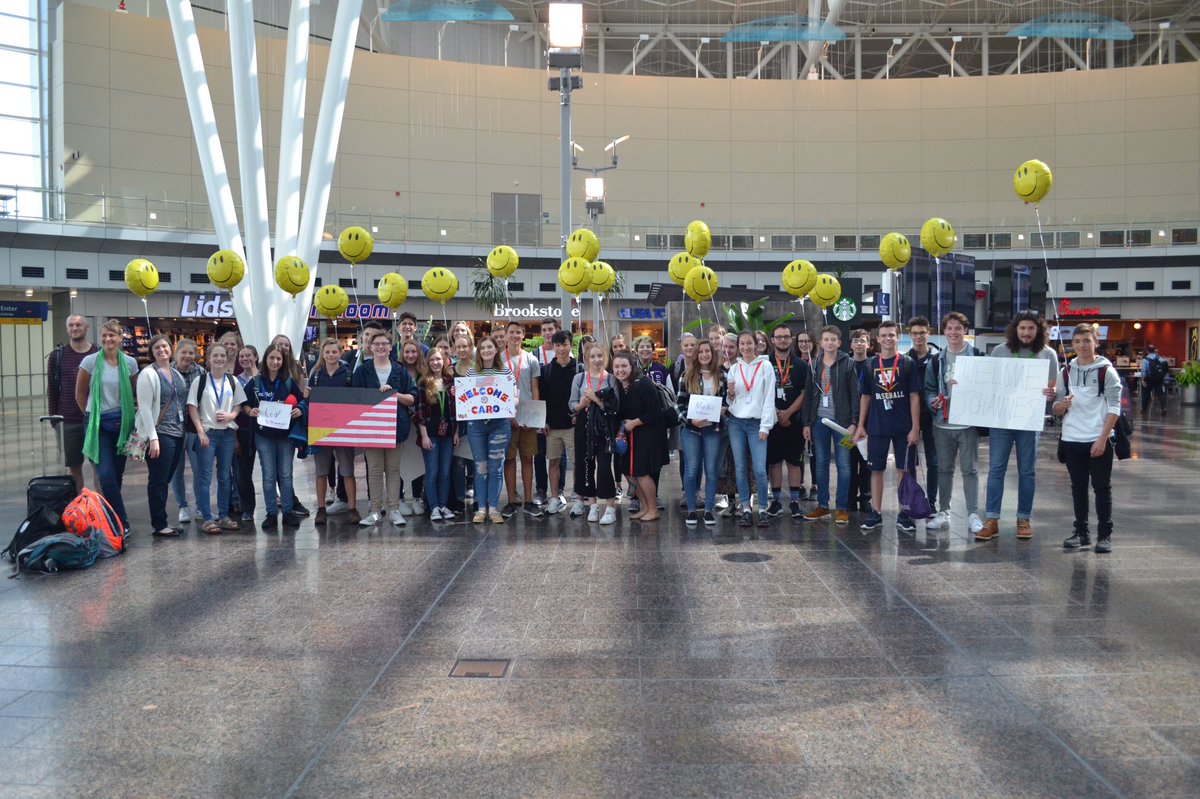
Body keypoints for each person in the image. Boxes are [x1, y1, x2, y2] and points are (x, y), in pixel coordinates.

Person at [979, 311, 1058, 541]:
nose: (1026, 332)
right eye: (1022, 328)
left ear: (1038, 331)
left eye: (1031, 328)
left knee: (1027, 471)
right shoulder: (999, 351)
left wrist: (1051, 393)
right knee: (996, 470)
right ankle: (991, 519)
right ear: (1015, 329)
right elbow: (988, 382)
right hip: (1001, 420)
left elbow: (1051, 387)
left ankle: (1024, 518)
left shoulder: (1048, 354)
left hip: (1028, 420)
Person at [1054, 323, 1121, 554]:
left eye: (1086, 341)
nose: (1082, 346)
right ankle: (1081, 532)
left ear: (1096, 343)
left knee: (1101, 487)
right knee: (1078, 487)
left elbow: (1114, 408)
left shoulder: (1106, 371)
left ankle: (1105, 535)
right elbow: (1056, 408)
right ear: (1072, 344)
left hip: (1098, 438)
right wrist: (1061, 405)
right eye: (1077, 341)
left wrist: (1102, 439)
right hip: (1071, 438)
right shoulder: (1065, 372)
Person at [854, 320, 921, 532]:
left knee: (904, 470)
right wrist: (861, 425)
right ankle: (876, 512)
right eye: (884, 335)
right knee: (876, 470)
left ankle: (904, 512)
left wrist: (915, 428)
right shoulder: (870, 364)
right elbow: (865, 396)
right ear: (877, 339)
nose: (888, 339)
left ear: (898, 337)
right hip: (877, 426)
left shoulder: (907, 363)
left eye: (891, 335)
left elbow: (914, 397)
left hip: (903, 426)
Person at [924, 312, 985, 536]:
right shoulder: (936, 359)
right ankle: (944, 511)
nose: (953, 332)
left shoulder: (977, 357)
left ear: (965, 331)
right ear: (944, 331)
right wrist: (932, 401)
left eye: (958, 328)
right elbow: (929, 389)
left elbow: (986, 387)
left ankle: (973, 514)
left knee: (970, 470)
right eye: (949, 328)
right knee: (944, 469)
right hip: (942, 424)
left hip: (967, 424)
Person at [75, 319, 139, 532]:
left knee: (117, 475)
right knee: (105, 475)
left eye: (112, 335)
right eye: (104, 336)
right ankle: (121, 522)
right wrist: (91, 417)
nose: (108, 339)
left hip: (122, 425)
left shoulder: (130, 363)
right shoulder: (90, 362)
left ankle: (109, 519)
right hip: (98, 425)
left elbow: (132, 392)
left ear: (120, 338)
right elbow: (80, 394)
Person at [352, 330, 417, 527]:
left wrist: (394, 395)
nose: (380, 347)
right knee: (374, 470)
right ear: (370, 347)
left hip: (396, 427)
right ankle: (375, 511)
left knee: (393, 469)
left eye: (384, 344)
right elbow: (355, 399)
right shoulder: (362, 371)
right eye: (377, 344)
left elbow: (412, 397)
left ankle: (394, 510)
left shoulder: (400, 370)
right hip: (371, 428)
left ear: (390, 348)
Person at [244, 343, 306, 530]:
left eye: (279, 358)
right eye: (272, 358)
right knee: (268, 475)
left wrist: (299, 409)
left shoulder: (287, 382)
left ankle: (287, 512)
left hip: (285, 436)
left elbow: (301, 401)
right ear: (265, 359)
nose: (275, 362)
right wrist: (250, 411)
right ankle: (271, 513)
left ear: (283, 361)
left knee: (286, 475)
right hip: (264, 436)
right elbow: (244, 404)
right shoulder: (256, 382)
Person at [802, 325, 859, 526]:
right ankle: (823, 506)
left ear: (839, 342)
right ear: (820, 343)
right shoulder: (814, 365)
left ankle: (841, 507)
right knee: (821, 464)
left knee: (844, 465)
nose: (829, 343)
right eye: (826, 339)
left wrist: (854, 423)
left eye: (833, 339)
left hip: (843, 424)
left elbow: (855, 395)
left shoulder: (848, 363)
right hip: (819, 422)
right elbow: (808, 396)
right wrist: (806, 423)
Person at [186, 342, 246, 534]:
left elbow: (238, 404)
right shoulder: (200, 381)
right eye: (215, 356)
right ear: (209, 358)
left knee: (225, 475)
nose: (219, 359)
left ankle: (224, 516)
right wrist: (200, 431)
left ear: (226, 358)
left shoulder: (232, 381)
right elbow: (192, 407)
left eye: (222, 356)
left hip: (227, 434)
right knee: (205, 476)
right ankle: (207, 518)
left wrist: (231, 415)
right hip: (208, 433)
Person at [135, 335, 187, 537]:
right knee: (158, 479)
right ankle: (159, 524)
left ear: (170, 348)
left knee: (165, 479)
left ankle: (162, 520)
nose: (161, 350)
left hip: (177, 433)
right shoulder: (148, 374)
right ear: (151, 352)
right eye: (156, 347)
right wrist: (153, 437)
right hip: (161, 433)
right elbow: (145, 408)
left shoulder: (175, 373)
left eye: (164, 346)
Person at [306, 338, 360, 525]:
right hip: (321, 428)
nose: (330, 355)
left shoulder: (348, 374)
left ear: (340, 353)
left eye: (334, 352)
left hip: (344, 428)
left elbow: (356, 399)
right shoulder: (315, 375)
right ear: (322, 354)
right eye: (327, 352)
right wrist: (306, 395)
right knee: (321, 471)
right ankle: (321, 509)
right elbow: (309, 401)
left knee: (347, 470)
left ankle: (352, 508)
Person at [726, 331, 777, 529]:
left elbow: (769, 397)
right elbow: (732, 401)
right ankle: (746, 508)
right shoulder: (734, 368)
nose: (746, 347)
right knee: (740, 468)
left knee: (759, 470)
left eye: (749, 343)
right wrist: (730, 394)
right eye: (742, 344)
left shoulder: (765, 366)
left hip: (757, 423)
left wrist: (766, 426)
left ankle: (762, 509)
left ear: (756, 345)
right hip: (736, 422)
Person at [677, 340, 727, 526]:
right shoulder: (687, 375)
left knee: (711, 470)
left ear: (712, 354)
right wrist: (690, 420)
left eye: (707, 351)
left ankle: (708, 510)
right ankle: (691, 510)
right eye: (701, 352)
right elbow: (678, 404)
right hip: (691, 429)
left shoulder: (721, 375)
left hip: (713, 429)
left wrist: (725, 408)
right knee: (691, 470)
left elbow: (728, 401)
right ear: (696, 355)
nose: (704, 355)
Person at [46, 313, 96, 493]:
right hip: (68, 421)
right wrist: (54, 420)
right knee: (74, 467)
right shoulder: (57, 356)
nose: (75, 328)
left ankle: (100, 505)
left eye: (78, 325)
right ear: (67, 329)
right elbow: (52, 389)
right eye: (71, 325)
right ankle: (76, 504)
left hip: (95, 420)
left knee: (99, 465)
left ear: (86, 328)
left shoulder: (98, 353)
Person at [465, 335, 513, 524]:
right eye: (482, 347)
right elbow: (465, 398)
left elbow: (514, 396)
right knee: (480, 467)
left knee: (496, 467)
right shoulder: (471, 372)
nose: (486, 350)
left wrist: (512, 403)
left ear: (496, 350)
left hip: (499, 425)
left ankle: (493, 509)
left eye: (489, 347)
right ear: (478, 351)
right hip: (476, 425)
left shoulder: (505, 371)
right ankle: (480, 509)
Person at [570, 342, 619, 523]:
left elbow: (615, 407)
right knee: (585, 465)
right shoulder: (579, 378)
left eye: (599, 356)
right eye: (592, 356)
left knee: (604, 466)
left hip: (604, 427)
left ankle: (610, 507)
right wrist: (582, 404)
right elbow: (572, 405)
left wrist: (596, 400)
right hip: (584, 426)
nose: (596, 360)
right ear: (586, 359)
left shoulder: (611, 379)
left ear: (605, 358)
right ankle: (592, 505)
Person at [765, 324, 810, 519]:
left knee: (794, 462)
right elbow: (760, 392)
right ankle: (775, 502)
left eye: (786, 337)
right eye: (778, 337)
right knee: (774, 462)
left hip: (794, 421)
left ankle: (794, 502)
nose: (782, 340)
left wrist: (788, 413)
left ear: (791, 339)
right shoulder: (765, 363)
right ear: (772, 340)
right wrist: (777, 414)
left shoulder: (800, 365)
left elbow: (805, 393)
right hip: (771, 421)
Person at [613, 352, 664, 522]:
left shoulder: (643, 383)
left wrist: (635, 422)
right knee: (628, 473)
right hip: (628, 436)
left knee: (641, 473)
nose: (620, 370)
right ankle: (645, 507)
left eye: (624, 366)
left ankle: (653, 509)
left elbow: (656, 412)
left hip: (647, 435)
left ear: (631, 367)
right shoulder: (618, 385)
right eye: (616, 366)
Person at [501, 321, 543, 518]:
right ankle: (511, 501)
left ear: (523, 335)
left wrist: (534, 416)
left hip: (526, 417)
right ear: (506, 335)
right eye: (511, 332)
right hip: (506, 416)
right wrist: (507, 414)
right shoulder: (498, 359)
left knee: (527, 458)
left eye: (518, 332)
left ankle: (528, 500)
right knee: (509, 459)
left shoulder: (531, 359)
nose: (514, 335)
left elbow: (535, 388)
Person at [415, 347, 458, 521]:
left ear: (444, 361)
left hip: (448, 434)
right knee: (432, 472)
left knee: (445, 472)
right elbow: (420, 412)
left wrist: (456, 433)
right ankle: (433, 506)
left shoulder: (450, 382)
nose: (435, 363)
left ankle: (442, 505)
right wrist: (424, 436)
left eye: (438, 359)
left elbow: (457, 410)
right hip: (430, 435)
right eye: (432, 360)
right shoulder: (423, 383)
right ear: (427, 362)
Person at [904, 317, 940, 513]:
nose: (918, 337)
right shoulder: (904, 360)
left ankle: (932, 502)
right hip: (910, 417)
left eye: (922, 333)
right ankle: (912, 501)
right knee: (909, 462)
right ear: (910, 335)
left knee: (933, 461)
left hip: (933, 416)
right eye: (915, 333)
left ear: (929, 333)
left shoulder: (938, 359)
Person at [541, 330, 577, 514]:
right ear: (553, 347)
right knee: (553, 462)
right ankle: (554, 498)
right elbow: (543, 397)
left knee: (578, 463)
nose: (561, 349)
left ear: (571, 345)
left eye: (564, 344)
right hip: (553, 427)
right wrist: (544, 421)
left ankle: (578, 497)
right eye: (558, 345)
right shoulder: (547, 370)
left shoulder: (579, 368)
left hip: (573, 425)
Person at [170, 338, 203, 524]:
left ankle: (200, 506)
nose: (188, 356)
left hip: (193, 426)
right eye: (184, 352)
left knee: (199, 468)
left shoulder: (200, 372)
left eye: (191, 353)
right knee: (177, 469)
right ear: (177, 352)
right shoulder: (167, 371)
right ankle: (182, 506)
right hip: (173, 426)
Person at [532, 317, 560, 505]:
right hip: (539, 408)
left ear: (556, 330)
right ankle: (541, 490)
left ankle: (559, 490)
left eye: (551, 329)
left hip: (558, 411)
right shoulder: (534, 355)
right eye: (544, 330)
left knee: (558, 454)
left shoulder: (564, 352)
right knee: (539, 453)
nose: (548, 333)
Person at [397, 340, 427, 515]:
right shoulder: (397, 372)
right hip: (402, 423)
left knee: (417, 460)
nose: (410, 355)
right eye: (407, 352)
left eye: (413, 352)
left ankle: (417, 497)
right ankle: (400, 499)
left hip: (419, 424)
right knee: (400, 461)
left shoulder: (424, 373)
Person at [847, 329, 873, 513]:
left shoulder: (873, 365)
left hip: (869, 422)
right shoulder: (846, 365)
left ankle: (865, 497)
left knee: (866, 462)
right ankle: (850, 498)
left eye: (862, 341)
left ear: (868, 344)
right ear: (851, 345)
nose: (859, 344)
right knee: (849, 462)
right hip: (848, 423)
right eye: (855, 341)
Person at [233, 345, 259, 523]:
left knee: (273, 470)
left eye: (248, 355)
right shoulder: (235, 381)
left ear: (256, 357)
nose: (245, 359)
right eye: (241, 356)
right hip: (243, 430)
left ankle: (282, 504)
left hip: (265, 430)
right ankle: (247, 508)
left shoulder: (265, 377)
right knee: (243, 472)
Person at [1140, 344, 1169, 415]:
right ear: (1154, 350)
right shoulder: (1160, 358)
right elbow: (1165, 365)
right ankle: (1164, 408)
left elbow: (1143, 370)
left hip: (1149, 379)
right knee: (1160, 393)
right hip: (1158, 379)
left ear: (1147, 351)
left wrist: (1143, 380)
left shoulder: (1145, 360)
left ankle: (1144, 409)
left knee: (1145, 394)